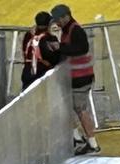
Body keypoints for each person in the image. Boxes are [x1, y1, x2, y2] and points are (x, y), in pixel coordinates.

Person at [50, 4, 100, 155]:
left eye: (59, 20)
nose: (57, 23)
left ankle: (92, 144)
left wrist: (60, 47)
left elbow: (82, 49)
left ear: (66, 16)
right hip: (75, 77)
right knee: (73, 109)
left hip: (81, 78)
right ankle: (79, 139)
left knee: (80, 110)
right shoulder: (68, 29)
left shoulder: (76, 30)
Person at [20, 12, 61, 91]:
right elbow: (53, 58)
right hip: (41, 74)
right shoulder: (49, 38)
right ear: (49, 23)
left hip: (27, 72)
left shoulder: (28, 35)